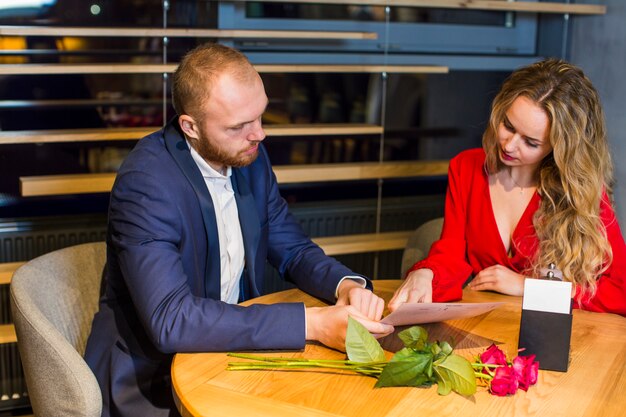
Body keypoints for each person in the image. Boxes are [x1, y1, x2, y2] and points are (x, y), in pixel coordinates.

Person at [84, 43, 394, 417]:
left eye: (260, 116)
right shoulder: (147, 182)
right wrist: (312, 323)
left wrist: (346, 285)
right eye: (239, 126)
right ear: (190, 127)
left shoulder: (247, 154)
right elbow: (171, 320)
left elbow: (291, 247)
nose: (259, 135)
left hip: (230, 354)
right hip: (152, 380)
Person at [389, 58, 626, 316]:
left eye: (531, 142)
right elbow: (450, 253)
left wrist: (529, 287)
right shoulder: (466, 168)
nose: (510, 145)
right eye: (508, 126)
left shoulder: (579, 189)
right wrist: (426, 273)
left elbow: (620, 292)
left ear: (559, 148)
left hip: (550, 337)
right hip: (485, 329)